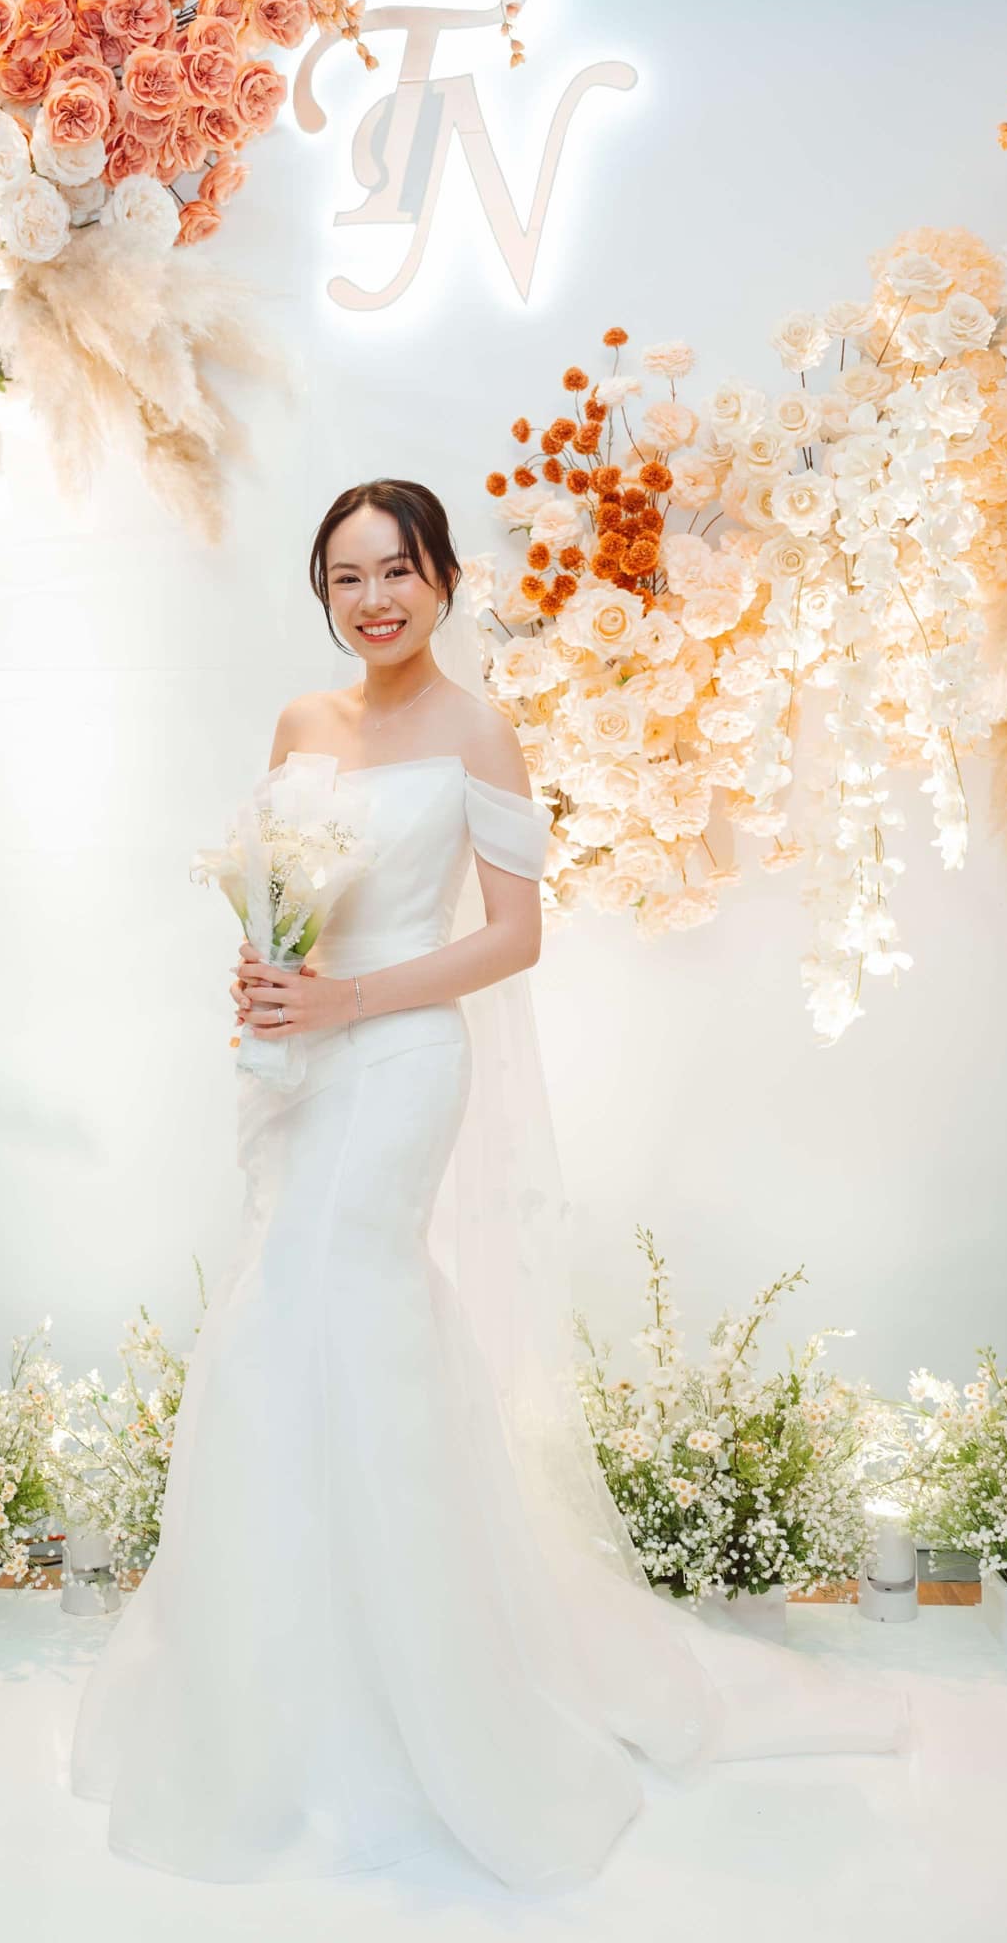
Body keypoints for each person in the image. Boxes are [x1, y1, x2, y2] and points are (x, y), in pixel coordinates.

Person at [69, 479, 913, 1893]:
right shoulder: (298, 726)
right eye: (345, 578)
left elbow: (514, 936)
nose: (373, 599)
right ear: (322, 596)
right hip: (298, 1066)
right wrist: (270, 974)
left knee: (342, 1306)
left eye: (396, 570)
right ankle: (276, 1685)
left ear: (443, 579)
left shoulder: (478, 731)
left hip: (398, 1063)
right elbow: (285, 894)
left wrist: (350, 1004)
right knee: (279, 1322)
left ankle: (432, 1699)